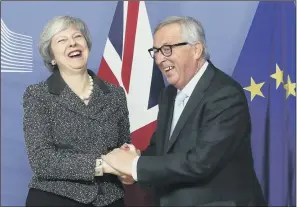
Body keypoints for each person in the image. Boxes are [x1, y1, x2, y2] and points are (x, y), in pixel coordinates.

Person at [101, 16, 267, 206]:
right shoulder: (168, 94)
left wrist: (135, 166)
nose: (159, 59)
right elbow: (161, 148)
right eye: (155, 52)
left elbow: (201, 162)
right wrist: (135, 161)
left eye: (166, 49)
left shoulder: (224, 94)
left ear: (196, 50)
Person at [23, 15, 133, 207]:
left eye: (77, 37)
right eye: (62, 40)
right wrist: (102, 166)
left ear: (87, 44)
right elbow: (41, 160)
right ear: (51, 57)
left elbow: (122, 147)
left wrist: (128, 161)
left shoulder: (115, 94)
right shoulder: (38, 95)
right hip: (55, 199)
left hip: (110, 199)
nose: (72, 43)